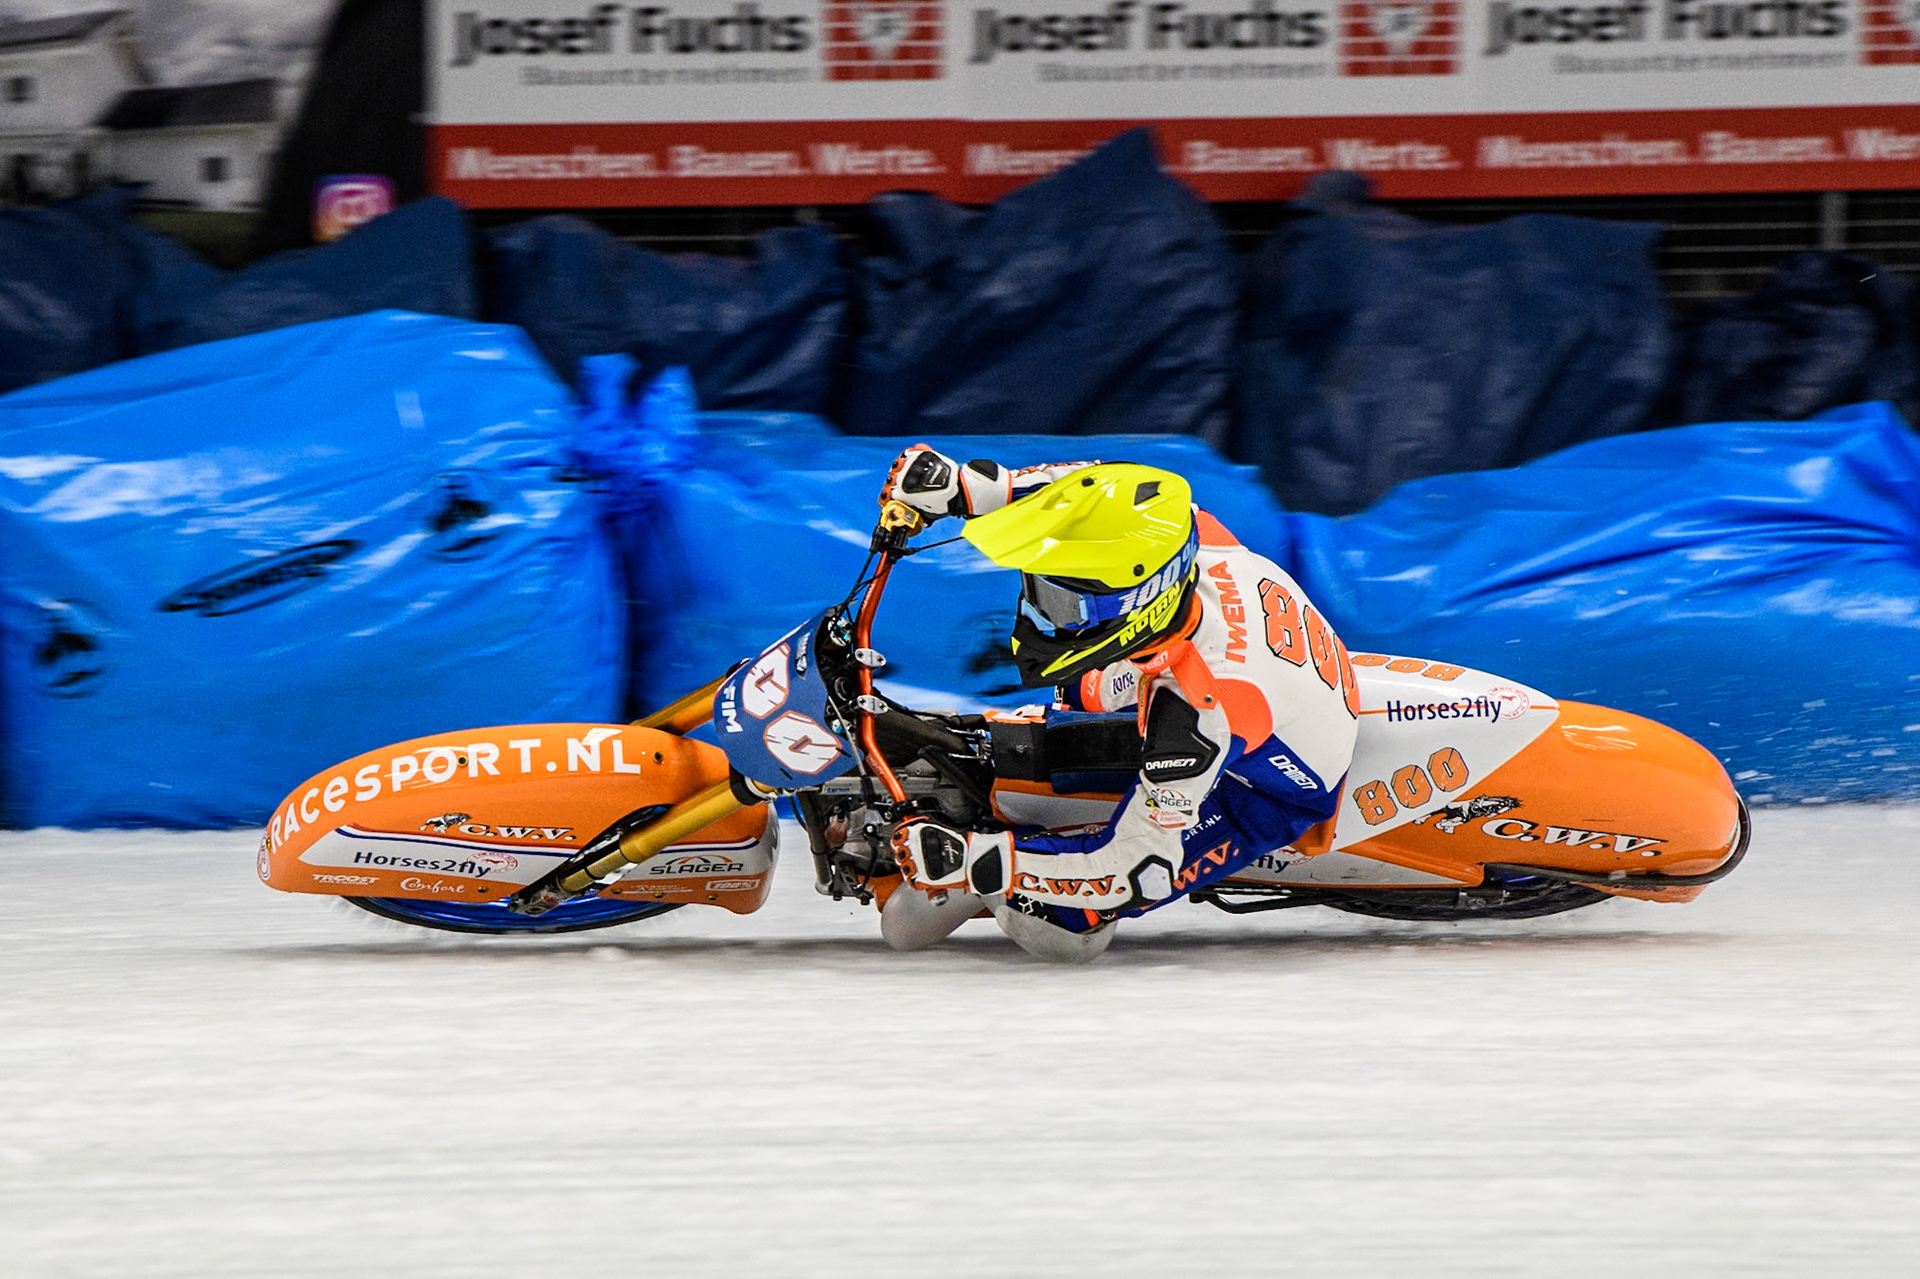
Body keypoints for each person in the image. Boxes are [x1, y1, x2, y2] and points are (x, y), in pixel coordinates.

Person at [877, 446, 1361, 961]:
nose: (1039, 612)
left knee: (1059, 926)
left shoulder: (1199, 714)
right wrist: (977, 488)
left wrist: (978, 861)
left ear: (1138, 602)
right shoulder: (1180, 532)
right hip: (1247, 676)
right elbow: (1097, 490)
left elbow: (1134, 870)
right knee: (1079, 689)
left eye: (1061, 603)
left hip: (1265, 790)